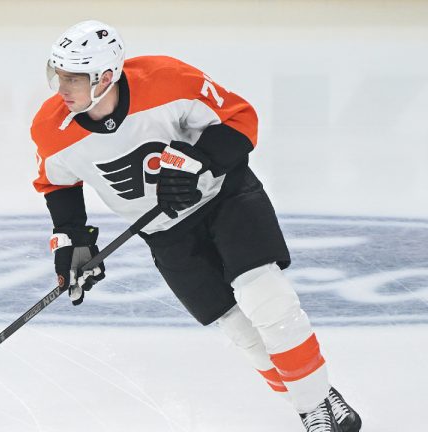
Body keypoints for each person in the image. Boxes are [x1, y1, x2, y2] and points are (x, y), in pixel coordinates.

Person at [30, 20, 361, 432]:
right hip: (165, 232)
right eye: (57, 75)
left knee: (267, 297)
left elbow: (240, 120)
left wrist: (199, 162)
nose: (61, 88)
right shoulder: (51, 128)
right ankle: (316, 396)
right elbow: (58, 183)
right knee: (241, 330)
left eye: (73, 78)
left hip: (226, 199)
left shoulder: (168, 80)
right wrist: (72, 239)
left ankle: (312, 410)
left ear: (108, 77)